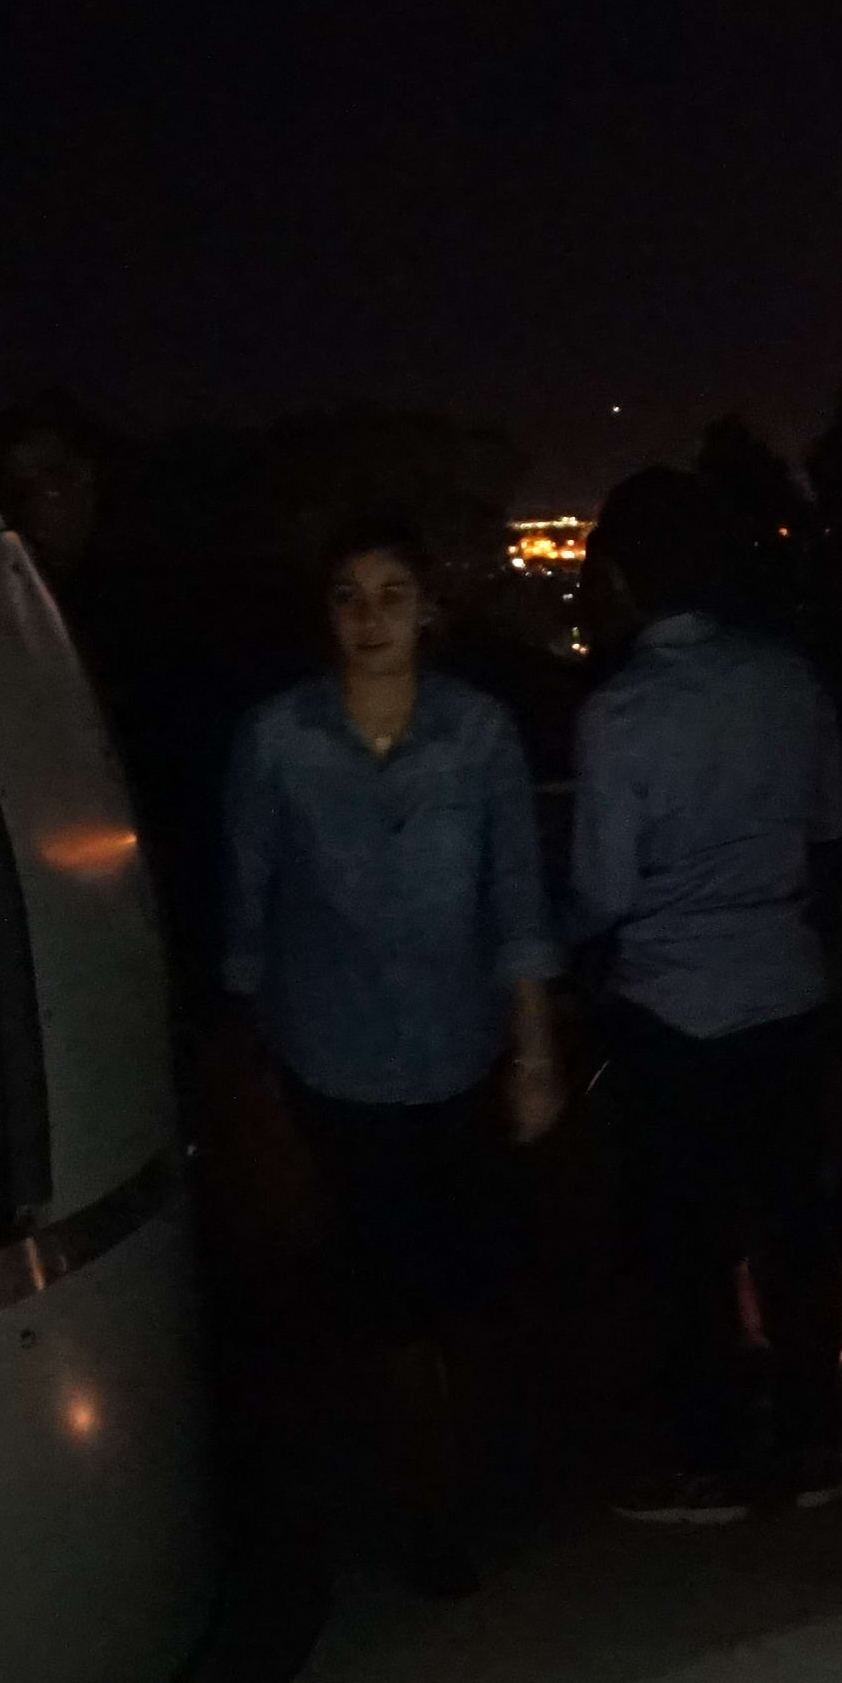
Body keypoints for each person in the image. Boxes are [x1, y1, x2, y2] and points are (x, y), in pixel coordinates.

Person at [219, 520, 565, 1594]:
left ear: (428, 607)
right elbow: (246, 902)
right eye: (348, 595)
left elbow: (517, 897)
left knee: (461, 1280)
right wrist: (244, 1060)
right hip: (328, 1052)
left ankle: (456, 1484)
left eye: (391, 592)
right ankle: (420, 1508)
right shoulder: (276, 737)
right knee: (372, 1289)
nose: (370, 617)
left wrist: (534, 1050)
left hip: (457, 1049)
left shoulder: (478, 734)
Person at [571, 467, 842, 1526]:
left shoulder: (618, 711)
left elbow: (601, 886)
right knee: (793, 1225)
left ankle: (704, 1458)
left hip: (667, 1005)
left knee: (682, 1240)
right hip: (783, 987)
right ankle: (814, 1439)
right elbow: (828, 828)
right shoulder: (789, 680)